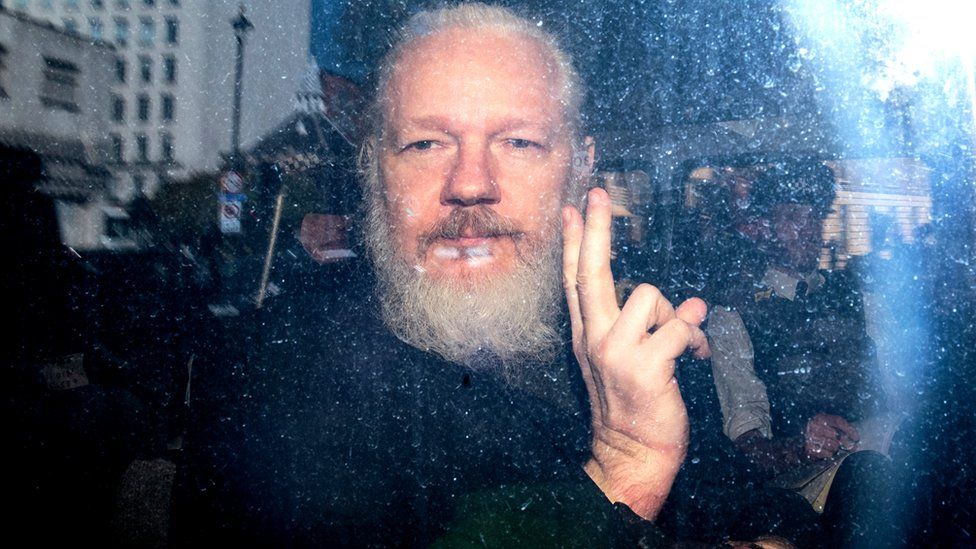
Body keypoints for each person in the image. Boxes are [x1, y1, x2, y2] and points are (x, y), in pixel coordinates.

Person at [173, 4, 711, 546]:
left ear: (581, 164)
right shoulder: (275, 385)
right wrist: (628, 466)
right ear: (373, 169)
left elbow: (764, 515)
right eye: (426, 144)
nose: (470, 183)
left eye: (518, 142)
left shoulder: (630, 356)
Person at [704, 161, 897, 545]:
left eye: (816, 217)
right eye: (793, 217)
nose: (809, 231)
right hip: (807, 488)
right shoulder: (734, 315)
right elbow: (749, 443)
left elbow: (906, 391)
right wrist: (801, 447)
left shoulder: (862, 299)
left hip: (888, 451)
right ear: (764, 230)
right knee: (867, 479)